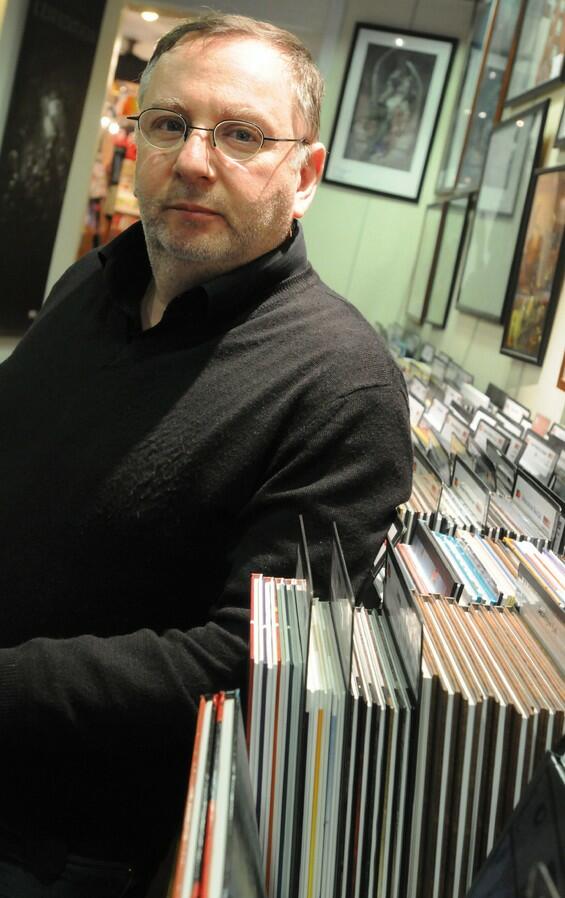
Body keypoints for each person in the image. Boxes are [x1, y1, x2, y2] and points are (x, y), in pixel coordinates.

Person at [0, 13, 412, 897]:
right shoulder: (90, 283)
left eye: (241, 135)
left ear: (305, 176)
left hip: (64, 846)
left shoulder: (342, 387)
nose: (192, 159)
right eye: (168, 123)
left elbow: (248, 662)